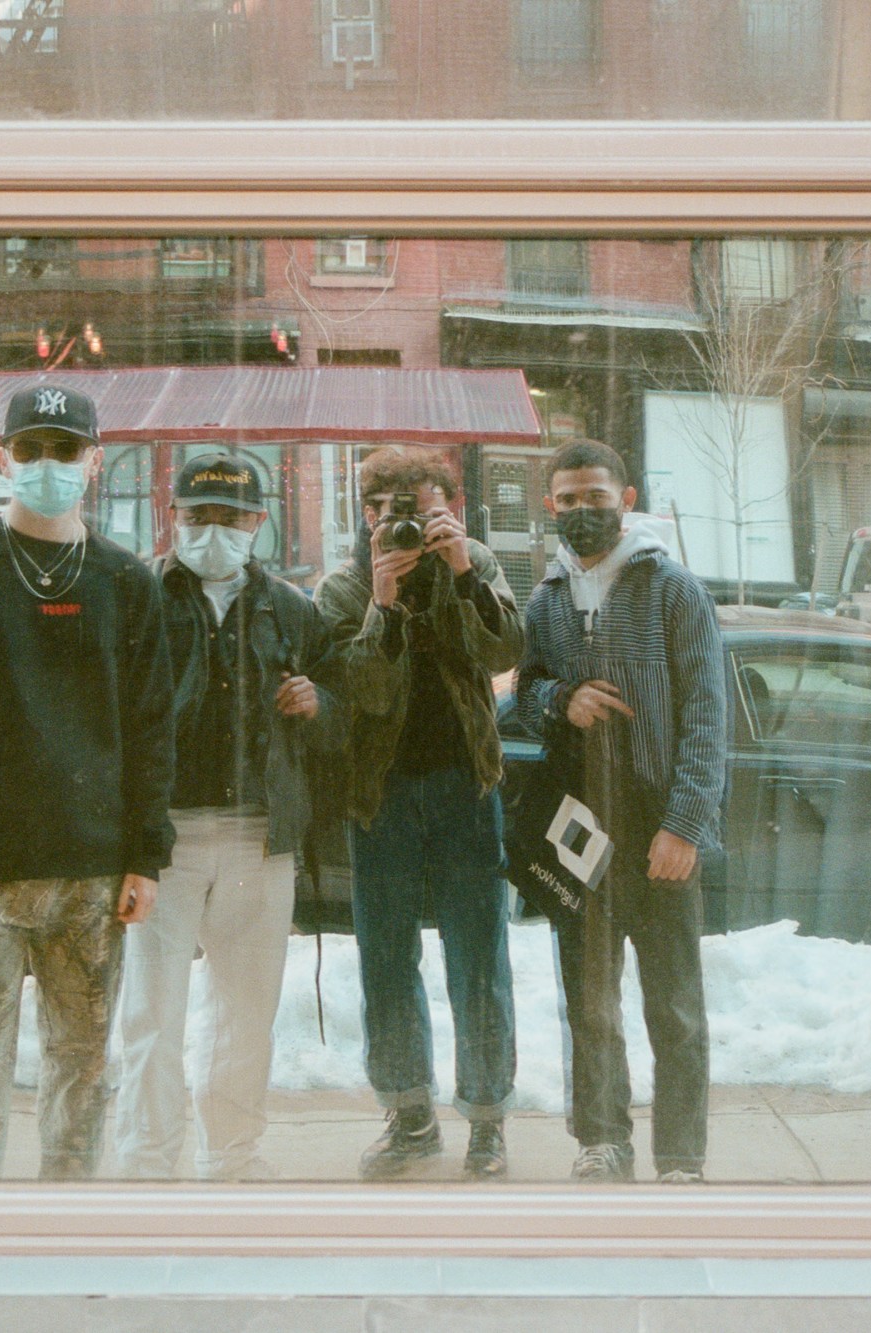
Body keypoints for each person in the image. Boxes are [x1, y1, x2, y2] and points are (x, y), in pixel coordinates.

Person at [0, 382, 175, 1180]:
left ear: (95, 459)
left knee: (82, 1078)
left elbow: (152, 729)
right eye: (31, 448)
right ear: (2, 457)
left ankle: (63, 1234)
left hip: (95, 877)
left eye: (65, 448)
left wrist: (145, 854)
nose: (47, 463)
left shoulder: (126, 580)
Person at [110, 452, 344, 1181]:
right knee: (152, 1012)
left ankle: (231, 1157)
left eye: (231, 516)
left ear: (258, 521)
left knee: (246, 1015)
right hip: (161, 838)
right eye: (198, 514)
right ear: (172, 517)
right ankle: (147, 1163)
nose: (214, 528)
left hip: (256, 834)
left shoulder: (292, 607)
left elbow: (338, 701)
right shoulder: (134, 597)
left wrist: (319, 702)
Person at [513, 438, 727, 1184]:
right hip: (582, 830)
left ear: (626, 499)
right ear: (550, 507)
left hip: (658, 824)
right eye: (567, 500)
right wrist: (557, 699)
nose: (582, 512)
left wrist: (685, 825)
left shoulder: (672, 589)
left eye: (595, 497)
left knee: (675, 1007)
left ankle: (679, 1157)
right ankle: (601, 1139)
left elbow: (708, 714)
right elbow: (526, 689)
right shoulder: (546, 599)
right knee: (591, 1003)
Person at [313, 445, 523, 1181]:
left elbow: (506, 649)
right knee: (387, 958)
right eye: (387, 515)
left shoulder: (478, 564)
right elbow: (363, 690)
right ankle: (410, 1116)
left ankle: (489, 1120)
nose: (402, 530)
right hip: (384, 793)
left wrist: (462, 571)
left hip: (467, 784)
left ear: (451, 512)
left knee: (479, 955)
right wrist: (384, 603)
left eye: (423, 514)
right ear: (365, 516)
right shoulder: (342, 590)